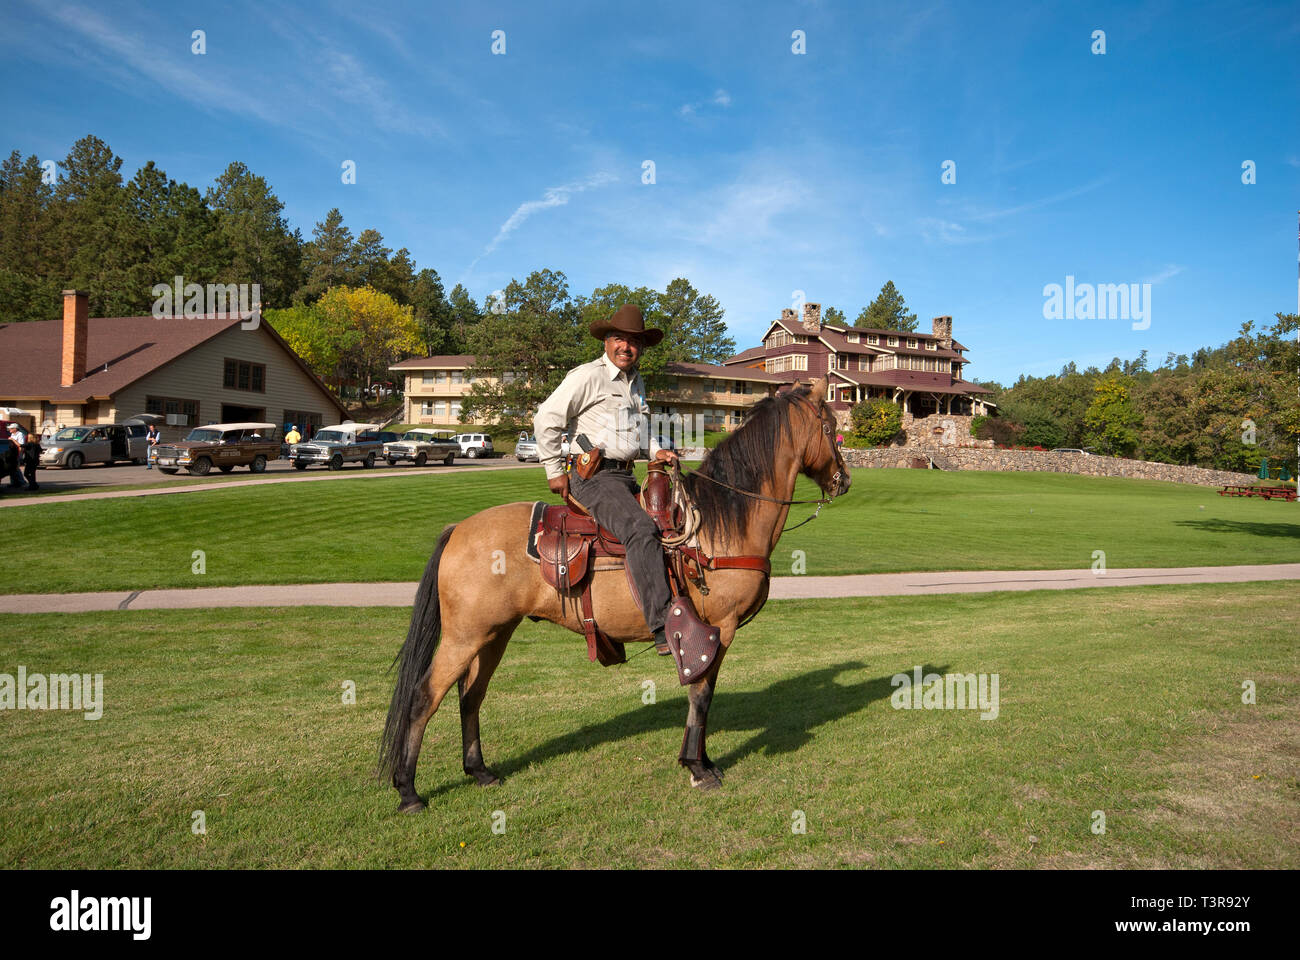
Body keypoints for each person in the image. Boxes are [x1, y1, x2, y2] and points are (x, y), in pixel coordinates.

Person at [534, 304, 680, 655]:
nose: (625, 347)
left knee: (673, 524)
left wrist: (657, 450)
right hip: (594, 477)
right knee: (641, 530)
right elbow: (546, 418)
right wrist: (554, 469)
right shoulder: (587, 376)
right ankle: (662, 625)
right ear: (607, 341)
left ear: (640, 347)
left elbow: (641, 431)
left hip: (627, 477)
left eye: (632, 341)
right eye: (619, 339)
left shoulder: (636, 382)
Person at [5, 423, 27, 489]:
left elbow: (21, 445)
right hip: (11, 453)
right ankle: (13, 483)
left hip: (17, 453)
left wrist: (12, 440)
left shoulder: (20, 434)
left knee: (16, 468)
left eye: (11, 428)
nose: (9, 429)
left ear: (15, 429)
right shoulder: (12, 434)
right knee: (11, 468)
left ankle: (21, 482)